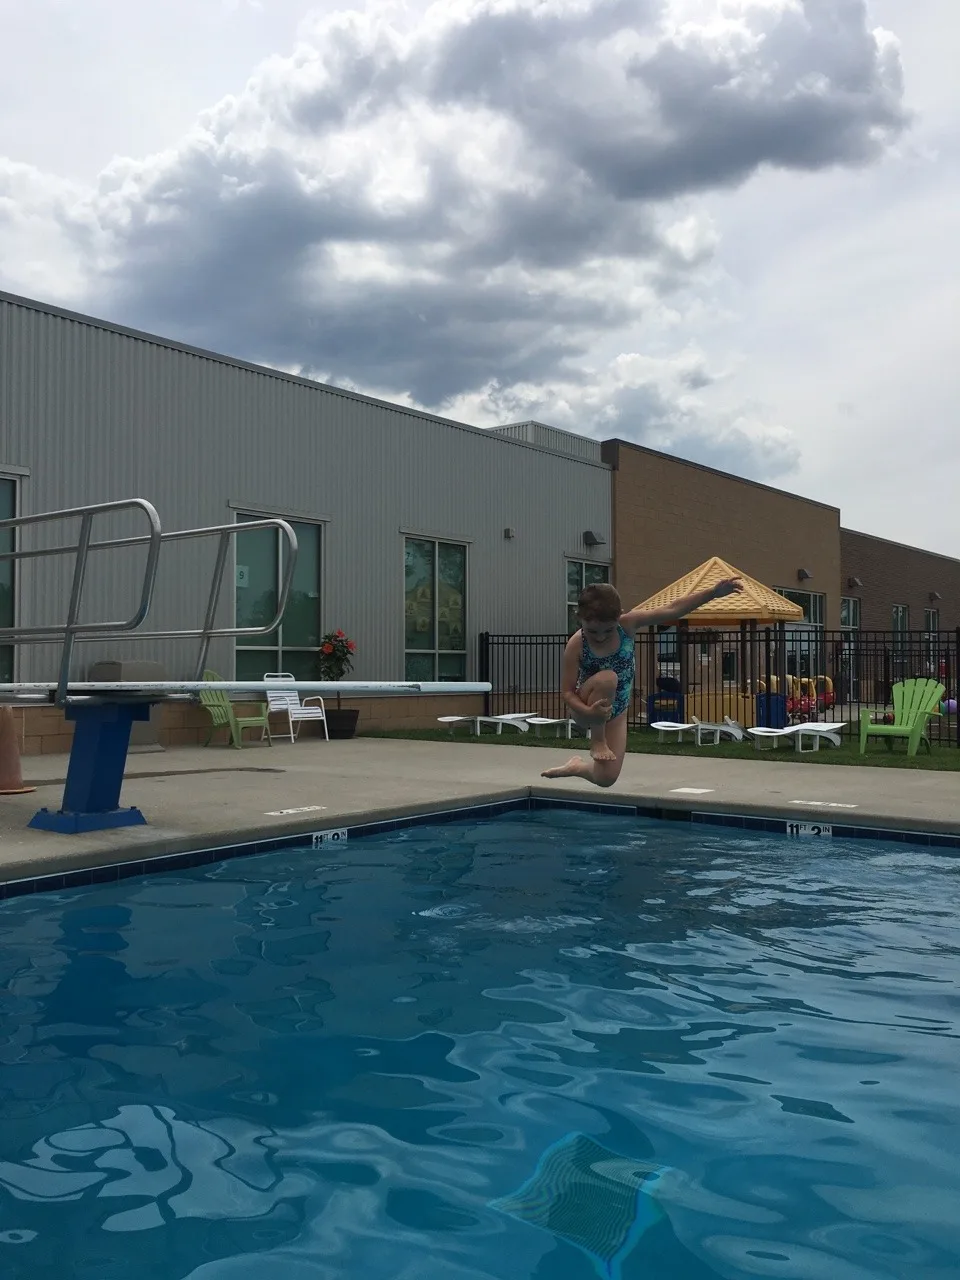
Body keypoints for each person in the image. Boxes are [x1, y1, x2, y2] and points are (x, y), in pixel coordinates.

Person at [540, 576, 743, 788]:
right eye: (592, 631)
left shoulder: (628, 625)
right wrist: (589, 713)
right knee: (608, 678)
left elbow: (672, 610)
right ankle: (597, 741)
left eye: (607, 630)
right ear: (579, 618)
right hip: (585, 709)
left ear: (619, 617)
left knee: (606, 778)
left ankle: (577, 767)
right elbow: (567, 693)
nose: (600, 637)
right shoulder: (576, 645)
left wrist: (712, 593)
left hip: (616, 711)